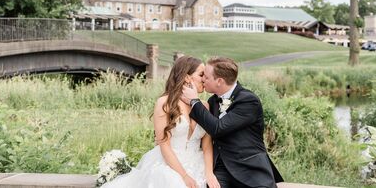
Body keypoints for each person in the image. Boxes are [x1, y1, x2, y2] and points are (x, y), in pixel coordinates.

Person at [102, 56, 220, 188]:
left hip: (198, 162)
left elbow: (207, 144)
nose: (205, 79)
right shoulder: (164, 103)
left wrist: (209, 173)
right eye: (201, 74)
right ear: (187, 77)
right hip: (170, 163)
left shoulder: (204, 106)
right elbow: (164, 145)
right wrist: (184, 176)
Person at [182, 56, 283, 188]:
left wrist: (194, 101)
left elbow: (218, 128)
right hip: (221, 169)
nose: (203, 79)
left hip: (250, 170)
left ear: (219, 81)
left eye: (206, 77)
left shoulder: (249, 100)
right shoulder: (212, 102)